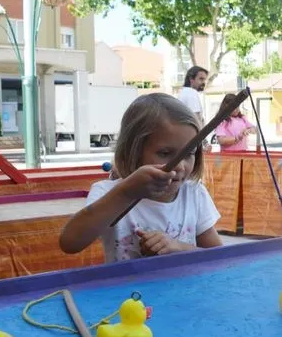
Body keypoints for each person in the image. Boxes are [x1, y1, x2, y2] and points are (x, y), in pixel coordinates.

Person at [59, 92, 223, 263]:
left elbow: (219, 257)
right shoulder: (108, 192)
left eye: (189, 154)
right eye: (165, 153)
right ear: (133, 151)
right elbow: (70, 243)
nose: (180, 166)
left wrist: (179, 247)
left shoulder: (194, 193)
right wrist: (126, 193)